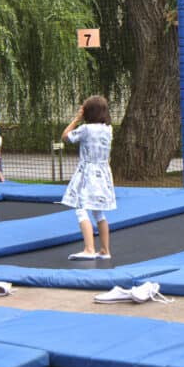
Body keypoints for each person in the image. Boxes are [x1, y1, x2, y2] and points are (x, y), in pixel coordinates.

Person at [61, 94, 117, 259]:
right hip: (104, 172)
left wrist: (76, 119)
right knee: (98, 212)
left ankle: (89, 248)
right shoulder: (108, 129)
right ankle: (105, 250)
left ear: (87, 113)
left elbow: (65, 136)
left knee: (81, 207)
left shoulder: (86, 129)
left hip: (88, 172)